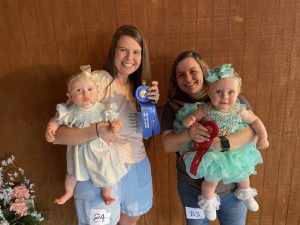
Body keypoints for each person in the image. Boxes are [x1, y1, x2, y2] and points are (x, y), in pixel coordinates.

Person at [49, 25, 159, 225]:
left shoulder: (143, 88)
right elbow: (58, 134)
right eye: (123, 50)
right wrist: (97, 130)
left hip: (137, 165)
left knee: (129, 220)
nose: (129, 58)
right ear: (113, 51)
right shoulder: (95, 81)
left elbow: (148, 133)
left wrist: (150, 107)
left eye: (136, 52)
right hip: (98, 166)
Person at [161, 51, 257, 225]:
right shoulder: (173, 106)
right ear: (176, 80)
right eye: (181, 75)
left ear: (204, 71)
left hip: (232, 188)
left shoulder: (231, 97)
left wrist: (222, 144)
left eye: (193, 71)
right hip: (192, 189)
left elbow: (253, 132)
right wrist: (189, 134)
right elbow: (168, 145)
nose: (188, 78)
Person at [180, 64, 269, 220]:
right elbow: (194, 117)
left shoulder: (240, 110)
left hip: (236, 152)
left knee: (243, 174)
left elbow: (255, 120)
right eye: (218, 92)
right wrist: (190, 120)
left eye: (231, 92)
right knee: (210, 180)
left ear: (238, 93)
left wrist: (263, 137)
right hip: (213, 155)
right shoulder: (205, 109)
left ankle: (246, 194)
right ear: (209, 92)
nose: (225, 96)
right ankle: (208, 202)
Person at [45, 65, 126, 206]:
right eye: (79, 90)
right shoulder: (69, 111)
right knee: (71, 173)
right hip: (78, 150)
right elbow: (55, 120)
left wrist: (116, 125)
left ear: (97, 91)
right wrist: (50, 129)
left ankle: (106, 193)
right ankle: (69, 192)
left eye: (90, 89)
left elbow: (115, 118)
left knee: (105, 171)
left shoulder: (102, 108)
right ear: (70, 96)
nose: (85, 94)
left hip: (99, 151)